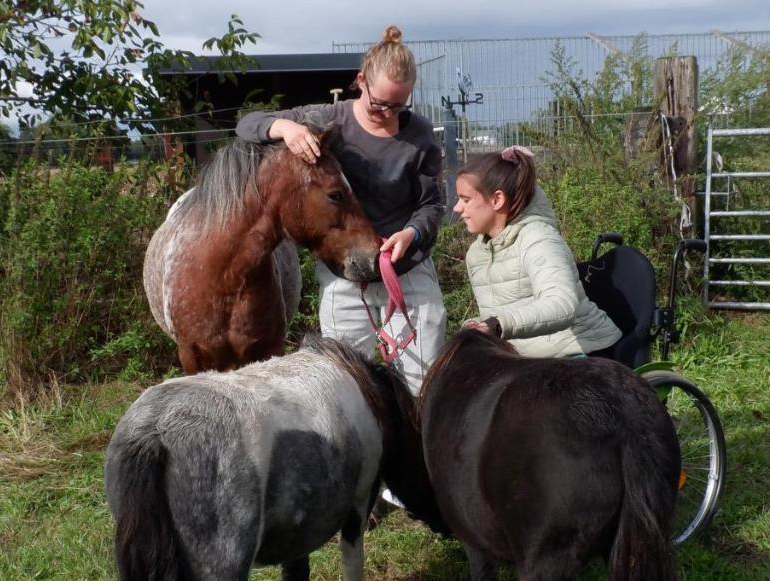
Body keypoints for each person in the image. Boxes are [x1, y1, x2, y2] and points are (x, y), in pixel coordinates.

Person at [236, 25, 446, 396]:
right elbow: (246, 124)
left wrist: (410, 234)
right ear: (361, 81)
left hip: (408, 273)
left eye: (400, 105)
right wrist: (284, 127)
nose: (388, 114)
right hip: (345, 280)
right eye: (380, 103)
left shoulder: (420, 136)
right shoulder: (327, 117)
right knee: (347, 389)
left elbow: (431, 205)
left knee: (421, 384)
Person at [453, 146, 622, 359]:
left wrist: (497, 324)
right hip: (524, 361)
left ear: (497, 200)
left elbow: (561, 306)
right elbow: (498, 319)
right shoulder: (477, 253)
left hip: (578, 354)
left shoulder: (539, 240)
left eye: (465, 199)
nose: (457, 208)